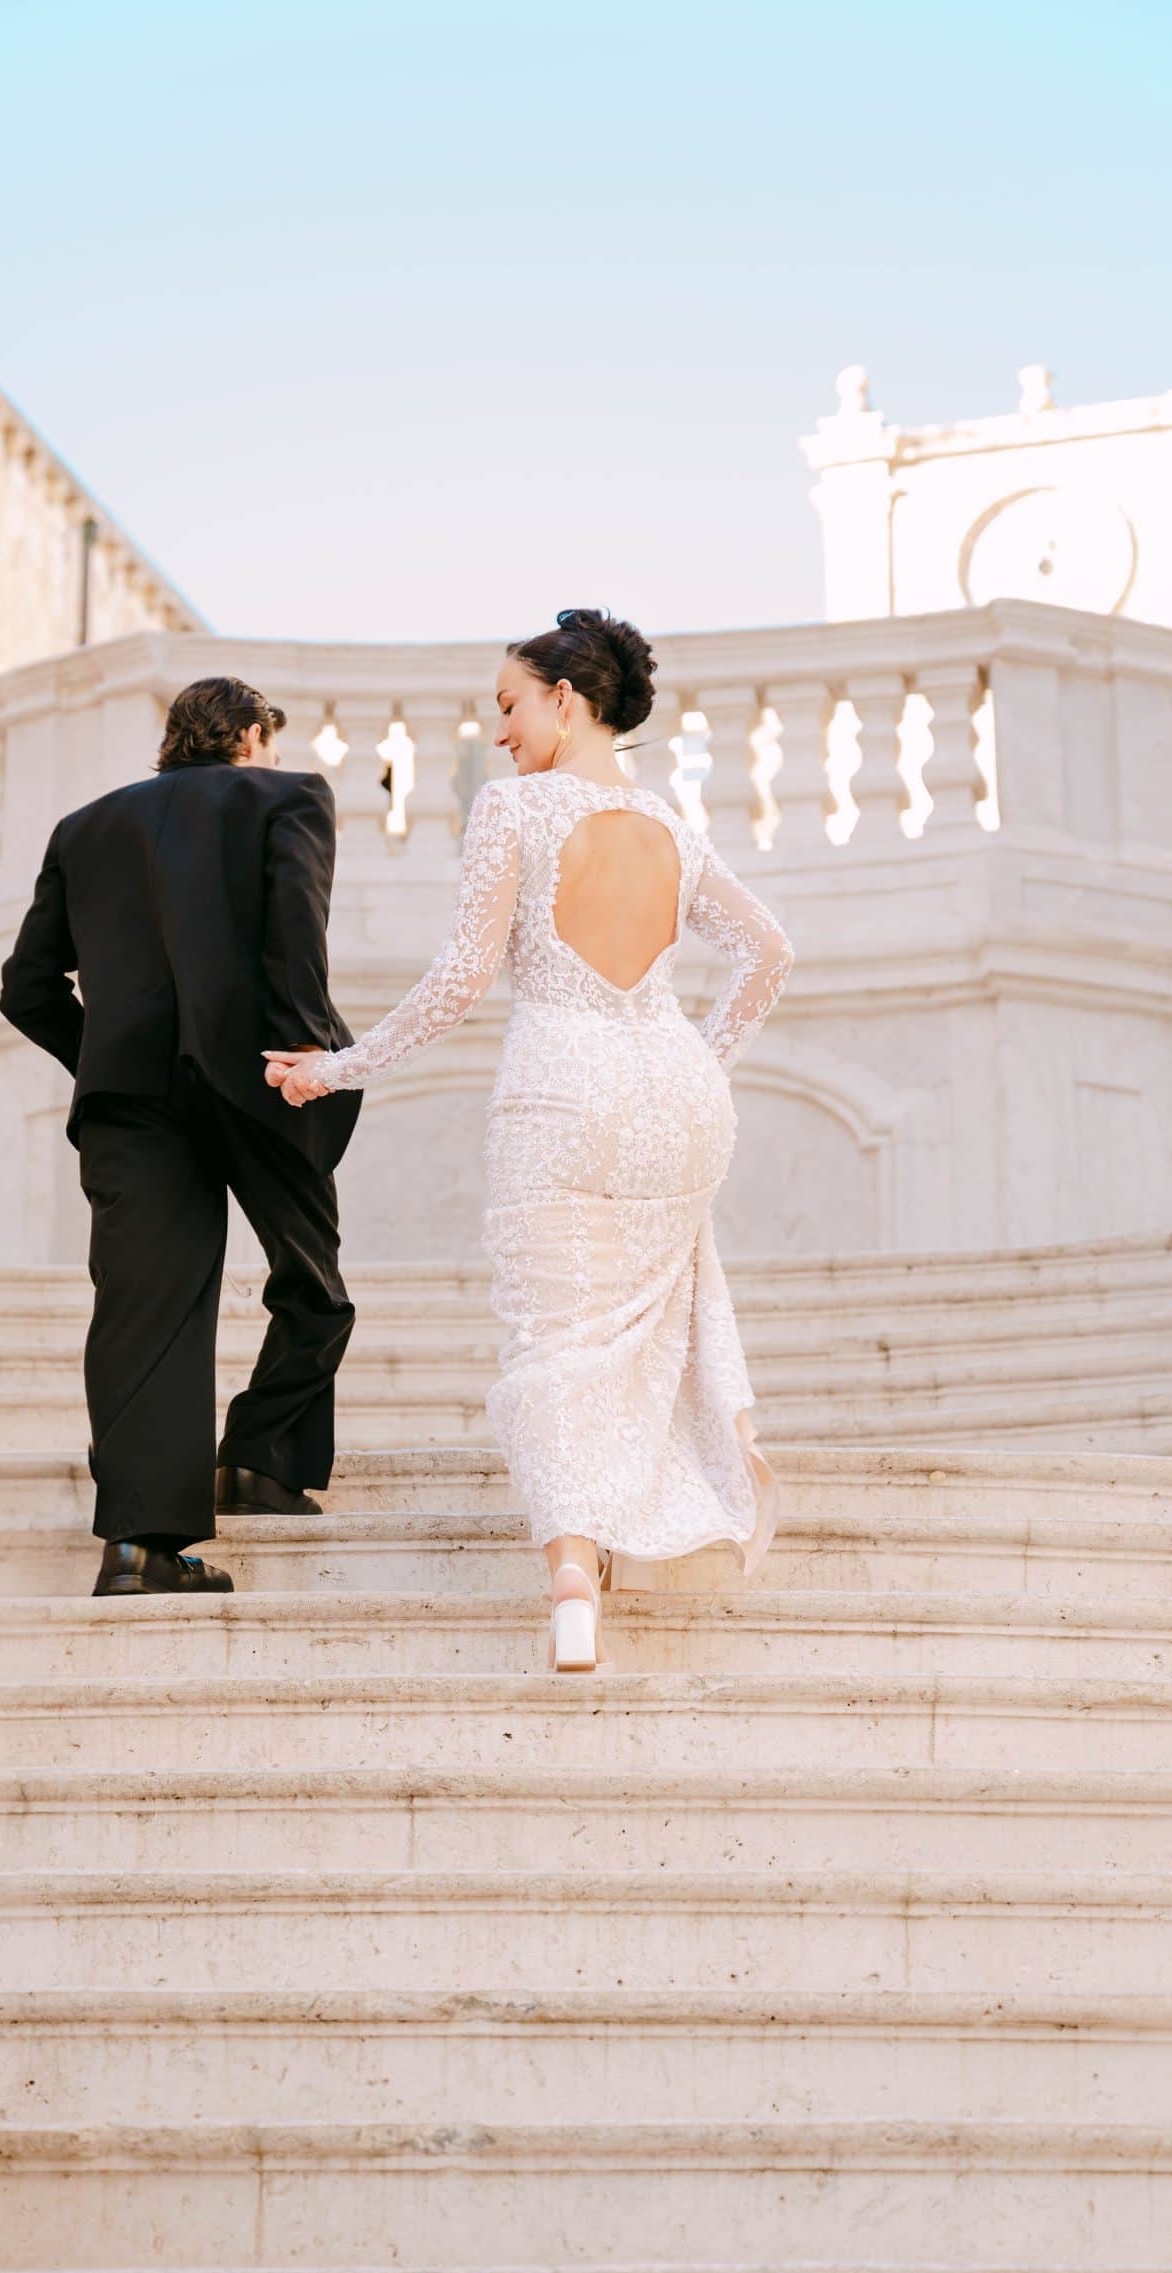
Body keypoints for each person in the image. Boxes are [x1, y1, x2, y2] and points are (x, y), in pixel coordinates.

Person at [266, 608, 792, 1671]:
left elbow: (462, 981)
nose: (498, 733)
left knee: (556, 1336)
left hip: (563, 1086)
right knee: (642, 1328)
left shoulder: (511, 810)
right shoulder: (675, 830)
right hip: (676, 1098)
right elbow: (770, 953)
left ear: (565, 698)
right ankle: (608, 1545)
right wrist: (702, 1060)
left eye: (508, 706)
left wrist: (334, 1067)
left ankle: (570, 1569)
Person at [0, 676, 360, 1596]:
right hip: (257, 1079)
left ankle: (139, 1548)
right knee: (310, 1280)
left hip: (131, 1098)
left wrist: (107, 1059)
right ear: (246, 735)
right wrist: (308, 1056)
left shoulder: (84, 828)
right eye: (266, 744)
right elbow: (294, 940)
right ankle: (261, 1461)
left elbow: (26, 988)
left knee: (142, 1314)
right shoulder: (288, 796)